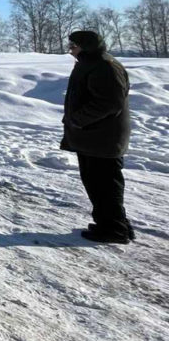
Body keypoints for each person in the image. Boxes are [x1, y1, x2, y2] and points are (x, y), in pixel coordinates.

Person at [61, 30, 133, 244]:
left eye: (73, 46)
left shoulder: (104, 66)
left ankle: (114, 229)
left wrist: (78, 120)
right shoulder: (92, 63)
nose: (71, 50)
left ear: (85, 46)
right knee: (98, 183)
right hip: (95, 137)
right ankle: (111, 224)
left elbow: (109, 103)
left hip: (102, 137)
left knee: (104, 184)